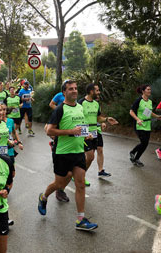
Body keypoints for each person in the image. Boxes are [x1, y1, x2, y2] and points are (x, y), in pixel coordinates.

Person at [39, 80, 98, 231]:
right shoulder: (60, 109)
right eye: (70, 89)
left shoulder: (80, 107)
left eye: (75, 88)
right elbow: (49, 131)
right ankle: (44, 197)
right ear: (64, 92)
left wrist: (86, 135)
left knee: (80, 183)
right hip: (62, 153)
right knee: (59, 184)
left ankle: (80, 219)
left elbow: (81, 127)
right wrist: (70, 132)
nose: (74, 91)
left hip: (78, 152)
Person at [78, 83, 118, 184]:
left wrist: (107, 119)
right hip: (85, 131)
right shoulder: (81, 103)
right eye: (97, 90)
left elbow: (98, 118)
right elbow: (77, 118)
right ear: (91, 91)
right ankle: (80, 175)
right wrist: (82, 132)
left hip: (95, 130)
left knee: (100, 150)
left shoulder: (96, 104)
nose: (99, 92)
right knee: (90, 157)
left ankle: (97, 172)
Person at [129, 84, 161, 166]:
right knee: (144, 142)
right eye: (148, 89)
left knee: (145, 143)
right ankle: (132, 152)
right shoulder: (139, 100)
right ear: (143, 91)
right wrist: (138, 119)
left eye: (150, 89)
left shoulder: (149, 102)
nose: (150, 91)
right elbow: (131, 112)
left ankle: (136, 159)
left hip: (147, 125)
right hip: (139, 125)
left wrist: (157, 116)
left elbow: (148, 112)